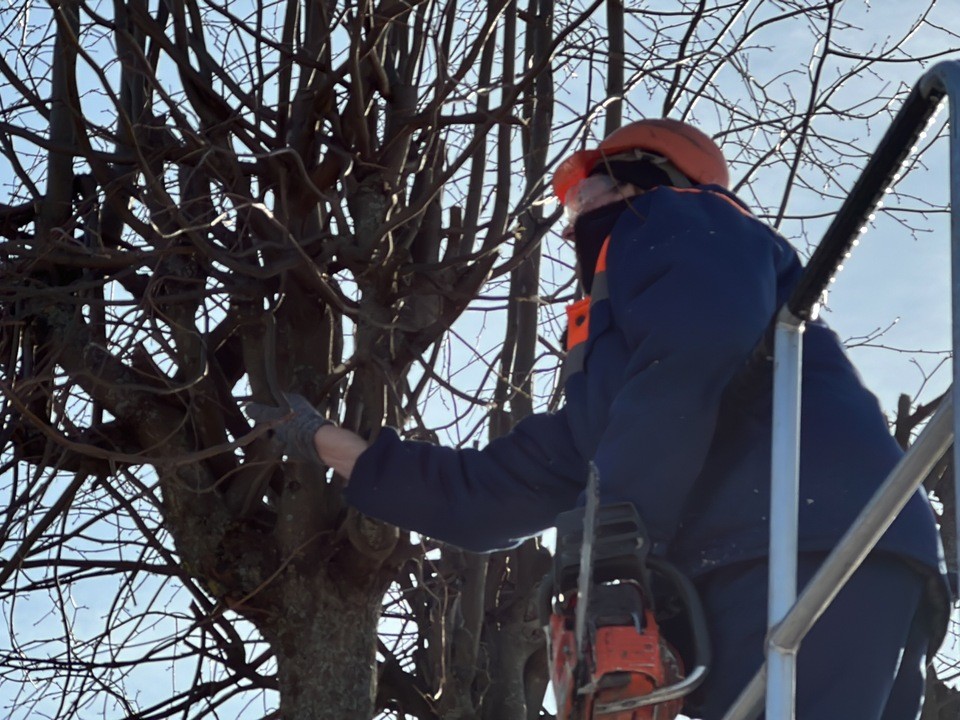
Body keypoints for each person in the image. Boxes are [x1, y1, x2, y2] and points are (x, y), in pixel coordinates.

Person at [247, 119, 951, 719]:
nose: (573, 219)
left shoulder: (679, 218)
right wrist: (325, 443)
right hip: (821, 555)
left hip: (799, 544)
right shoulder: (623, 382)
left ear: (639, 180)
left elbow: (693, 351)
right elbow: (497, 496)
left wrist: (616, 541)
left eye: (584, 191)